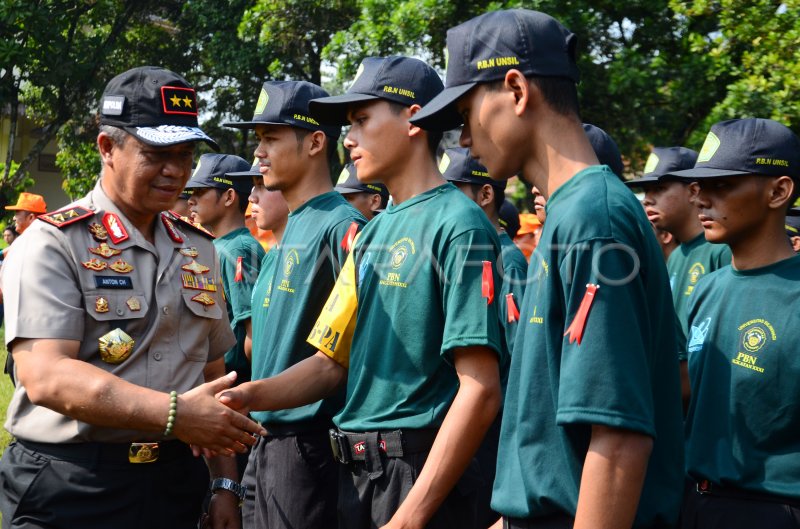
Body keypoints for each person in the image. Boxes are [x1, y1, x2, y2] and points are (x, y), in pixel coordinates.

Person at [411, 9, 684, 529]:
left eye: (466, 113)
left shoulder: (592, 219)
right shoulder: (569, 215)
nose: (463, 140)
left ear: (515, 90)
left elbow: (619, 441)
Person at [221, 55, 503, 529]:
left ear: (413, 118)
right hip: (356, 475)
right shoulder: (371, 234)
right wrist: (246, 395)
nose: (348, 138)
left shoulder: (459, 225)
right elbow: (331, 363)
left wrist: (410, 517)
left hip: (417, 471)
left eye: (361, 119)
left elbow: (480, 389)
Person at [0, 66, 265, 529]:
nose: (176, 170)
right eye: (157, 153)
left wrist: (224, 485)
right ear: (107, 148)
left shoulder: (198, 248)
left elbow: (211, 375)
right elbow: (46, 376)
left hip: (175, 483)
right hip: (73, 484)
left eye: (186, 155)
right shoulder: (54, 242)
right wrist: (176, 415)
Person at [223, 79, 366, 529]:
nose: (257, 154)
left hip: (309, 444)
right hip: (264, 440)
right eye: (257, 140)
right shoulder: (287, 231)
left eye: (270, 138)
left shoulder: (342, 226)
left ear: (315, 142)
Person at [671, 118, 800, 529]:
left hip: (771, 508)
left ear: (778, 191)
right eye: (698, 188)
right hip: (694, 500)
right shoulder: (708, 288)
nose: (701, 201)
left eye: (722, 185)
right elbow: (694, 385)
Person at [441, 146, 527, 527]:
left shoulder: (507, 259)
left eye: (451, 190)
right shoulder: (468, 250)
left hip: (495, 423)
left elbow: (516, 351)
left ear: (486, 195)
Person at [625, 146, 731, 409]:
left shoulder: (720, 250)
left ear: (693, 191)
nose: (648, 199)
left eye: (659, 189)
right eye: (646, 191)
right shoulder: (677, 256)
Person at [185, 153, 265, 384]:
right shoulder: (219, 246)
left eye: (200, 192)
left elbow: (253, 331)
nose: (191, 200)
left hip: (234, 382)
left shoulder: (237, 250)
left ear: (229, 196)